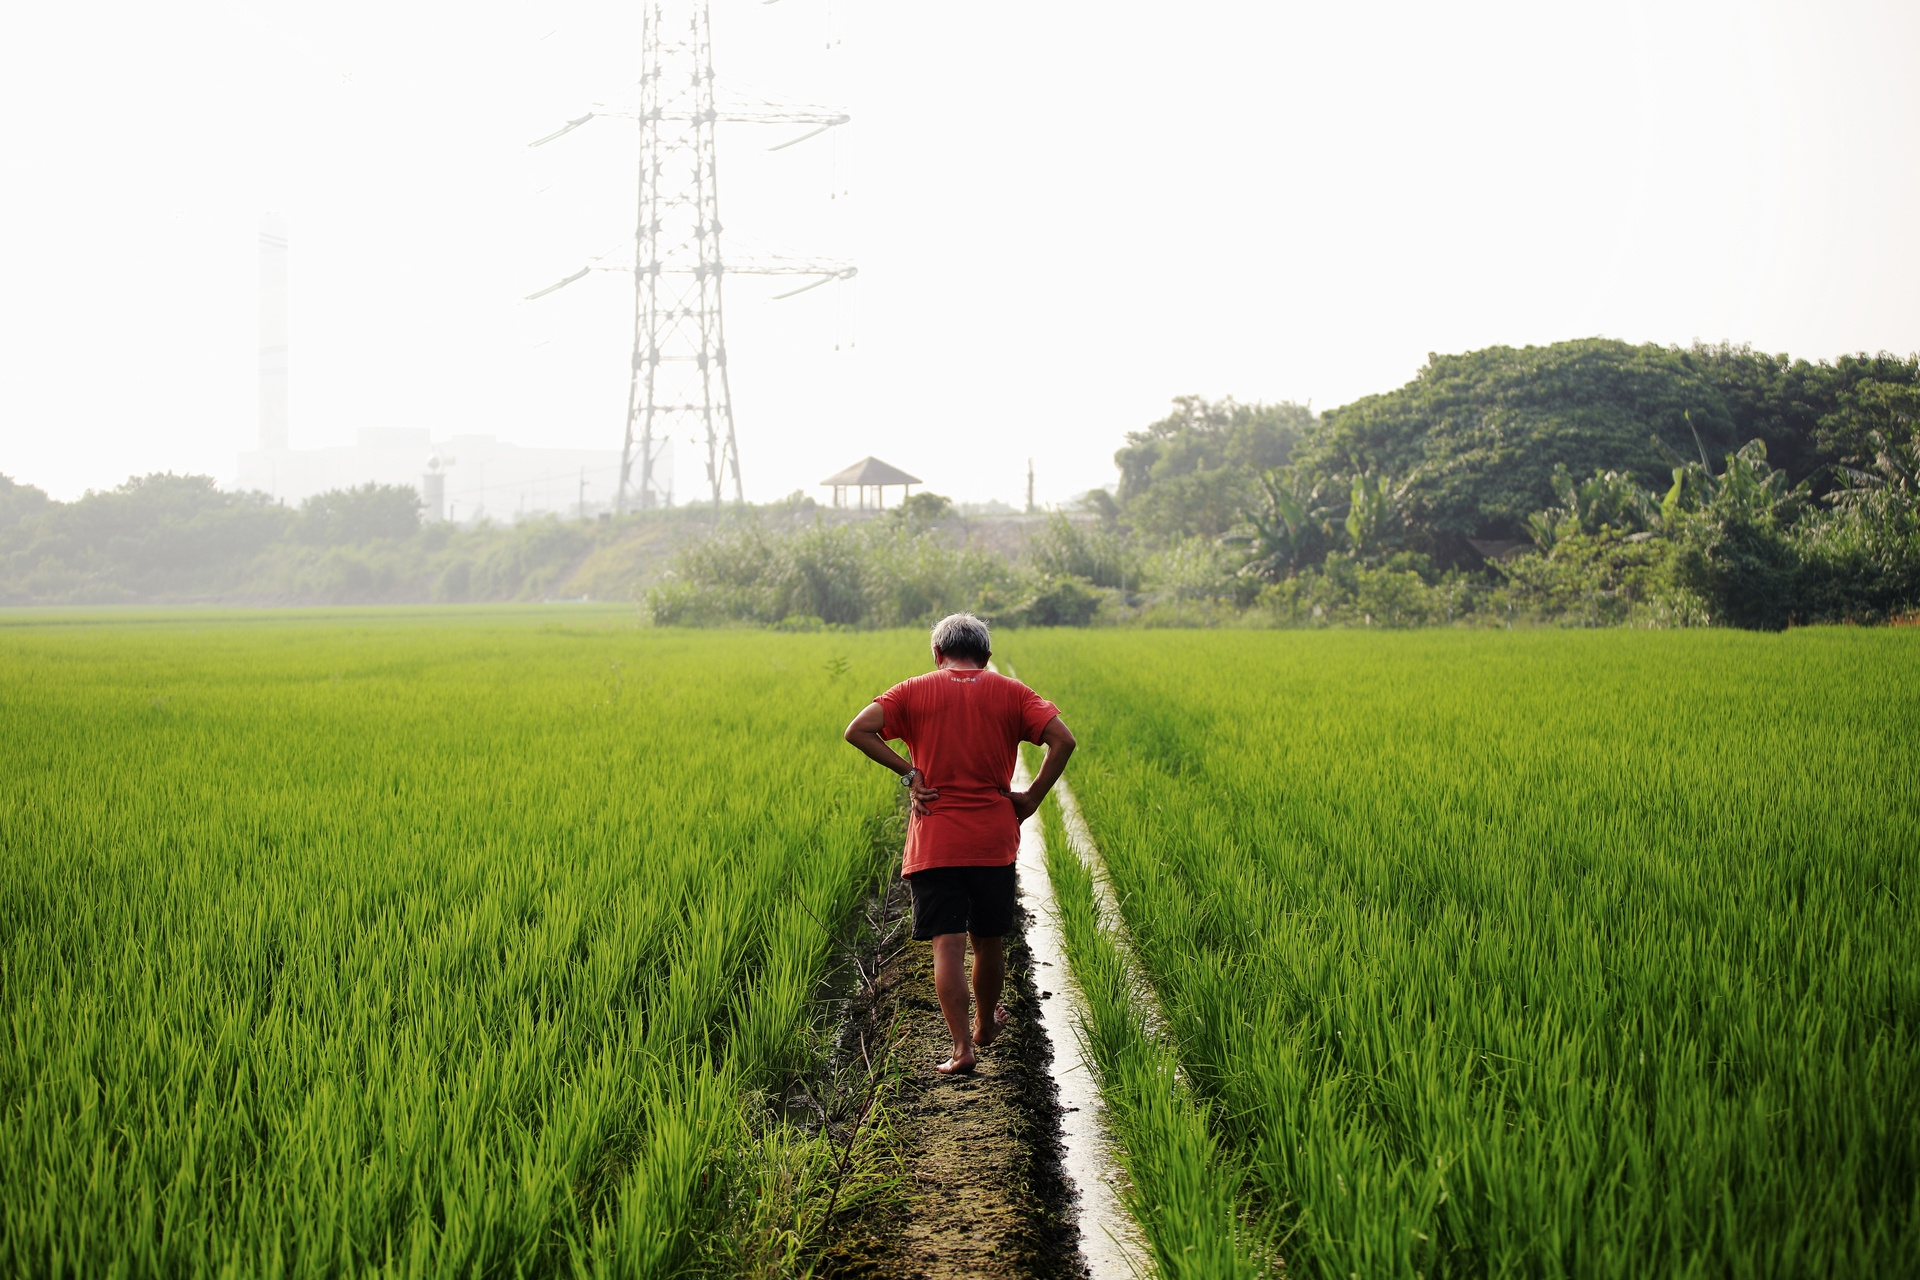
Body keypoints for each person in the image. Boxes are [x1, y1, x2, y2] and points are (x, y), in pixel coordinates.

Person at [843, 612, 1075, 1075]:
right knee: (989, 942)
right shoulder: (1012, 692)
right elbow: (1062, 740)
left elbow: (857, 730)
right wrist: (1030, 798)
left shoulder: (912, 690)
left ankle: (961, 1049)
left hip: (936, 839)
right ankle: (987, 1024)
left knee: (946, 946)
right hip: (992, 839)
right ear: (987, 657)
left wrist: (910, 773)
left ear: (937, 654)